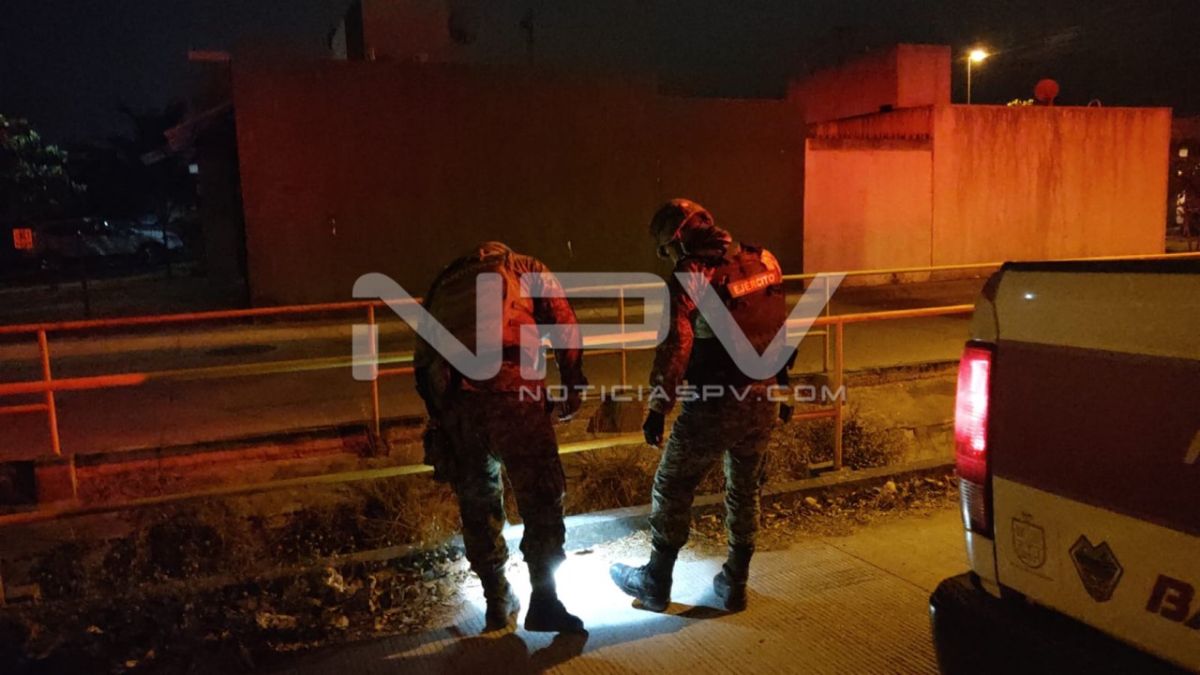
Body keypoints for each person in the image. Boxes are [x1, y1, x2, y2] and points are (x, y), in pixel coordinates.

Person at [610, 199, 789, 613]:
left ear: (678, 240)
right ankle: (736, 583)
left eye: (666, 250)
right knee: (745, 489)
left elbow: (677, 345)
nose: (669, 258)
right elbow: (777, 324)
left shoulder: (692, 274)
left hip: (715, 403)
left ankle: (655, 581)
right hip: (763, 397)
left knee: (672, 484)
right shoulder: (764, 259)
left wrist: (658, 407)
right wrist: (784, 386)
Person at [414, 241, 587, 633]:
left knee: (478, 506)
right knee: (541, 498)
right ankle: (544, 600)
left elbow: (422, 359)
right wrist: (573, 382)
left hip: (458, 404)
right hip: (514, 395)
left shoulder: (444, 283)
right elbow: (564, 324)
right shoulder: (523, 266)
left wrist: (441, 418)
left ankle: (496, 600)